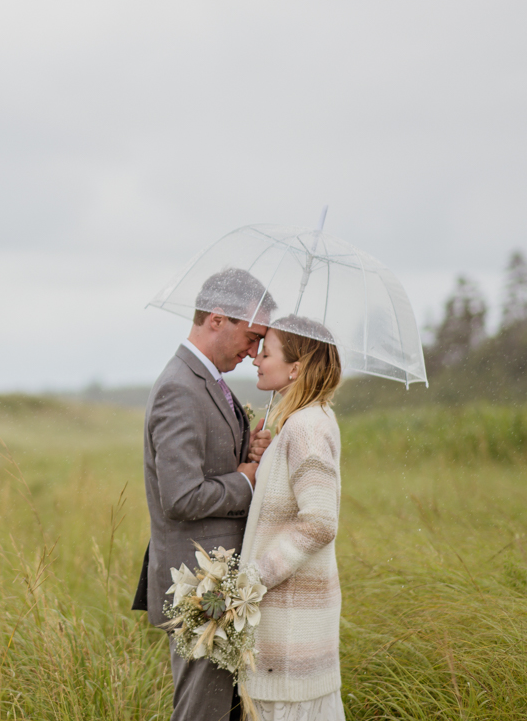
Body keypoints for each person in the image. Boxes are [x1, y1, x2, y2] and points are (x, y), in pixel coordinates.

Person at [135, 268, 275, 721]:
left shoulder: (207, 380)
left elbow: (211, 466)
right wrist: (248, 479)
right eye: (252, 336)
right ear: (218, 319)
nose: (254, 351)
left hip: (219, 585)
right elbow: (181, 497)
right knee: (202, 714)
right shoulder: (179, 387)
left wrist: (247, 449)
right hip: (200, 588)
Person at [240, 317, 346, 721]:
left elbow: (320, 521)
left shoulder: (306, 427)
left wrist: (253, 577)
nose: (256, 360)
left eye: (266, 353)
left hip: (290, 647)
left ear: (295, 369)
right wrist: (264, 454)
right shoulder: (298, 424)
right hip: (289, 643)